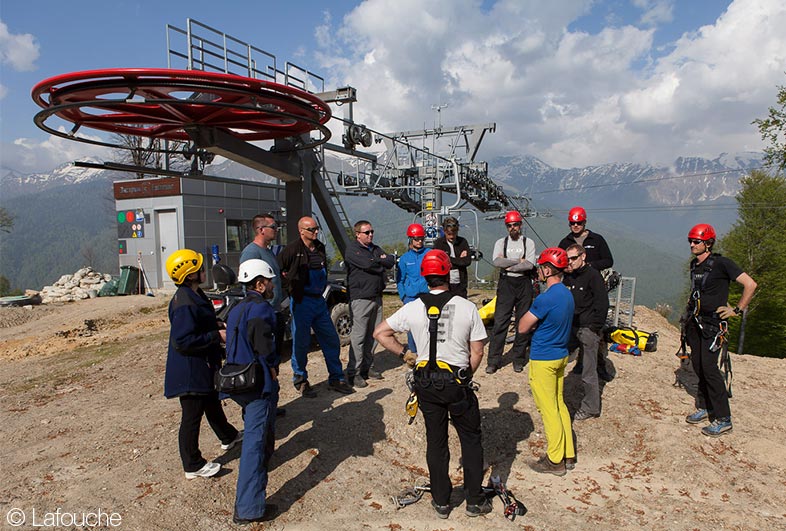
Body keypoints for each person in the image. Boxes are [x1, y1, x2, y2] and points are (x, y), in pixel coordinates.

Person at [373, 250, 492, 519]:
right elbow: (478, 351)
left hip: (426, 383)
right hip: (457, 383)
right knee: (470, 440)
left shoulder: (413, 307)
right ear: (448, 273)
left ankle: (441, 501)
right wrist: (465, 377)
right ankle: (474, 500)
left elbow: (380, 332)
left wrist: (405, 354)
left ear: (425, 276)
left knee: (436, 442)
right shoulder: (467, 307)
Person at [163, 249, 241, 480]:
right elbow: (183, 341)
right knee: (192, 416)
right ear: (189, 274)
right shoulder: (184, 302)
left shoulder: (193, 294)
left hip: (201, 367)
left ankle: (228, 436)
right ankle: (192, 464)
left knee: (211, 402)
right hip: (190, 370)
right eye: (198, 268)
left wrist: (215, 323)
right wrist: (216, 336)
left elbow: (200, 322)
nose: (203, 270)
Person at [683, 223, 756, 437]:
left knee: (709, 367)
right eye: (690, 241)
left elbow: (750, 284)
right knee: (697, 364)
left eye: (696, 242)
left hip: (714, 324)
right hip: (695, 322)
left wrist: (737, 309)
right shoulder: (695, 265)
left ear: (708, 243)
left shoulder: (722, 264)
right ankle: (705, 406)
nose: (692, 245)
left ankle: (724, 418)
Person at [225, 259, 280, 525]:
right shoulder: (261, 309)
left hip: (238, 380)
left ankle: (261, 472)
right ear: (260, 283)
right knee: (254, 445)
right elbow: (264, 346)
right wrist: (271, 367)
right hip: (257, 382)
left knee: (258, 435)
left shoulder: (236, 307)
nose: (271, 286)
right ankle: (248, 508)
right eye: (269, 282)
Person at [277, 217, 354, 397]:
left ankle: (336, 378)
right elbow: (277, 270)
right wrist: (289, 286)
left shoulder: (319, 247)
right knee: (301, 343)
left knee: (331, 340)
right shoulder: (292, 250)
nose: (316, 232)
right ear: (301, 231)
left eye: (316, 228)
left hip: (319, 301)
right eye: (311, 229)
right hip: (302, 302)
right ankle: (300, 380)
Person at [517, 247, 575, 476]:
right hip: (561, 355)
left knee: (548, 410)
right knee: (560, 405)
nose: (538, 271)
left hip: (544, 358)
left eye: (541, 267)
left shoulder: (546, 298)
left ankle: (554, 460)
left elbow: (522, 327)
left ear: (548, 269)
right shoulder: (567, 294)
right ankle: (568, 453)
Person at [558, 206, 614, 381]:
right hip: (571, 286)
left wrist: (589, 267)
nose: (575, 225)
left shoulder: (596, 240)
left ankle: (599, 366)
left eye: (579, 222)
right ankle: (578, 362)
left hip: (591, 286)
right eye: (572, 223)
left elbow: (608, 260)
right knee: (574, 328)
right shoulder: (565, 242)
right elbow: (559, 263)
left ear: (584, 222)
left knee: (593, 332)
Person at [345, 220, 396, 388]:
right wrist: (379, 262)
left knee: (373, 335)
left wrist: (378, 261)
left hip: (376, 297)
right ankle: (354, 372)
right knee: (359, 336)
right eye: (367, 232)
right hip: (361, 298)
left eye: (371, 231)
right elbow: (367, 264)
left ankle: (368, 367)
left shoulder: (374, 248)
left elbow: (389, 261)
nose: (370, 234)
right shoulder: (352, 249)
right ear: (358, 234)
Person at [486, 211, 536, 374]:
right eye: (509, 225)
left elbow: (529, 265)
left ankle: (518, 359)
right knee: (500, 321)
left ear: (520, 225)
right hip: (506, 283)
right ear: (506, 227)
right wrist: (518, 261)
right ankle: (493, 360)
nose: (513, 228)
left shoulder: (529, 242)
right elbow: (497, 261)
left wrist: (509, 263)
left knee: (523, 323)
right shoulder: (501, 242)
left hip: (523, 283)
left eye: (515, 225)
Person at [563, 243, 609, 420]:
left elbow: (602, 304)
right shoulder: (571, 276)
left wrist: (594, 328)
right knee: (559, 358)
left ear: (583, 257)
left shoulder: (593, 276)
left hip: (588, 328)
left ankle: (591, 407)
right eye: (569, 259)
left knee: (589, 371)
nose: (571, 262)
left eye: (574, 258)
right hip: (573, 326)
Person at [396, 223, 429, 356]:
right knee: (412, 327)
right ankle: (414, 352)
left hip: (426, 295)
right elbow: (400, 279)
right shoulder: (404, 259)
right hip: (410, 297)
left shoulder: (429, 254)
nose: (419, 241)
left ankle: (427, 351)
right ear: (410, 239)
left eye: (421, 238)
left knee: (427, 324)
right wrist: (404, 296)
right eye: (416, 239)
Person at [240, 214, 284, 311]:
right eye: (273, 227)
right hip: (262, 311)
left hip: (274, 309)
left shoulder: (269, 251)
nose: (276, 230)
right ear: (261, 230)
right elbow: (246, 285)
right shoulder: (251, 252)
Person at [432, 216, 472, 298]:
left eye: (454, 234)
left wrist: (448, 258)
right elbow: (438, 264)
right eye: (449, 234)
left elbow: (467, 261)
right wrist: (459, 260)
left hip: (460, 285)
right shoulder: (438, 244)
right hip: (444, 284)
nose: (451, 236)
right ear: (444, 231)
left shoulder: (463, 242)